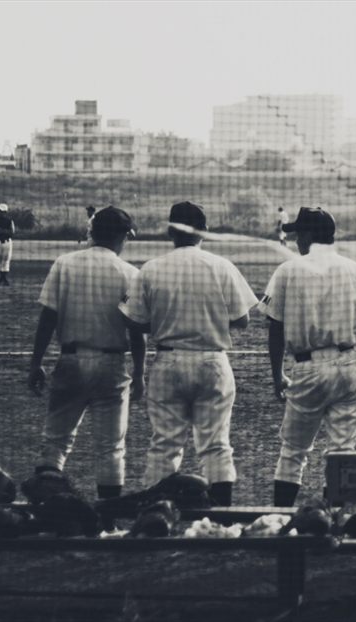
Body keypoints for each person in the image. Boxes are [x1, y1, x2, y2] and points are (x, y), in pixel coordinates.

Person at [119, 201, 257, 507]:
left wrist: (167, 317)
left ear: (170, 231)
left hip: (167, 361)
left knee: (164, 443)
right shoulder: (221, 266)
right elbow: (242, 320)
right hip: (212, 360)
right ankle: (221, 514)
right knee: (216, 443)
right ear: (204, 232)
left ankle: (156, 514)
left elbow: (133, 321)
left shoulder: (151, 268)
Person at [259, 207, 356, 507]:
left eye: (296, 235)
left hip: (308, 369)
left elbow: (275, 329)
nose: (294, 241)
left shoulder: (288, 270)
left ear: (306, 236)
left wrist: (277, 373)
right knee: (342, 450)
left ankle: (281, 519)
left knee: (293, 451)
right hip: (349, 366)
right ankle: (335, 521)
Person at [27, 207, 146, 504]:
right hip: (112, 365)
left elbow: (47, 317)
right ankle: (107, 522)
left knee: (55, 439)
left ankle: (47, 509)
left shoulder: (64, 264)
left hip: (70, 361)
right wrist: (141, 374)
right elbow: (136, 332)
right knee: (110, 448)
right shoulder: (131, 273)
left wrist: (36, 363)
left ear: (92, 232)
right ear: (121, 236)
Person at [0, 203, 14, 286]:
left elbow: (11, 232)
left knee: (6, 260)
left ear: (5, 212)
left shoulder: (9, 221)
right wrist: (4, 231)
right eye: (0, 211)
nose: (1, 213)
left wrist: (0, 230)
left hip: (7, 242)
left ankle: (2, 279)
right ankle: (3, 279)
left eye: (2, 211)